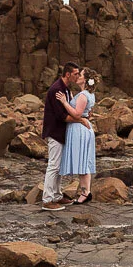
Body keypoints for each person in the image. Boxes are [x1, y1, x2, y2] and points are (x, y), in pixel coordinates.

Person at [38, 63, 84, 210]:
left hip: (61, 133)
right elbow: (62, 116)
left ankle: (57, 195)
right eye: (76, 74)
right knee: (53, 165)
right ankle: (47, 199)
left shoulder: (65, 88)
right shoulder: (56, 90)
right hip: (55, 132)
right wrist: (81, 120)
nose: (78, 76)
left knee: (59, 166)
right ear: (68, 74)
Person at [59, 74, 97, 202]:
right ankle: (86, 192)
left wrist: (64, 102)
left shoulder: (83, 95)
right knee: (84, 160)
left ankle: (85, 193)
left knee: (83, 161)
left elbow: (77, 114)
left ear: (85, 80)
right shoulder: (89, 94)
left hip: (80, 129)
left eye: (80, 75)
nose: (78, 76)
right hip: (83, 128)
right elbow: (87, 112)